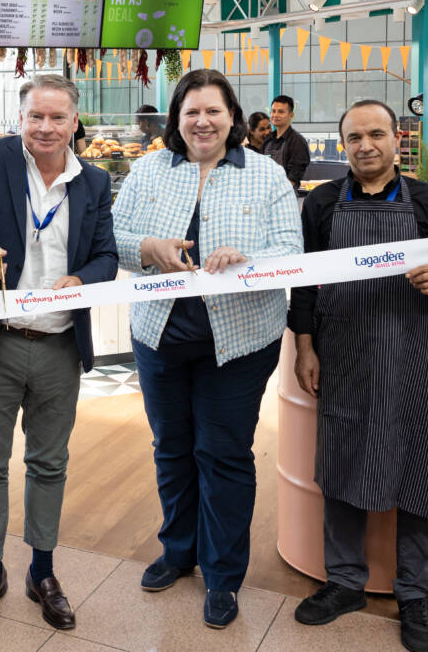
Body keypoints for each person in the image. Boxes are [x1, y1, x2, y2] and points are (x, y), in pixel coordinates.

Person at [0, 74, 117, 632]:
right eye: (36, 116)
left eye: (58, 118)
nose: (46, 128)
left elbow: (105, 254)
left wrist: (84, 277)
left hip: (59, 343)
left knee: (49, 463)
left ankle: (42, 569)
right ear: (20, 118)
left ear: (75, 122)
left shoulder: (95, 181)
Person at [110, 69, 301, 630]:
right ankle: (178, 550)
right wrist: (146, 246)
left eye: (213, 111)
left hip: (240, 342)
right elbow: (114, 242)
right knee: (171, 447)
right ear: (176, 119)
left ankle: (222, 574)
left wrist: (248, 257)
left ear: (232, 117)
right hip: (159, 337)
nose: (202, 121)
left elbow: (291, 249)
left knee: (223, 454)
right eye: (191, 111)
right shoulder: (147, 171)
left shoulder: (265, 175)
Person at [289, 100, 428, 652]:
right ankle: (344, 582)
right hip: (343, 353)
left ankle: (413, 593)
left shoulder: (427, 200)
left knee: (422, 462)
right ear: (342, 145)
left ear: (397, 139)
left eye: (375, 135)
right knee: (342, 463)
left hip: (412, 355)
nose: (365, 145)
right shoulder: (321, 203)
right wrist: (305, 346)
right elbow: (303, 283)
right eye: (353, 138)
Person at [263, 94, 310, 189]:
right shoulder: (268, 140)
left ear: (291, 115)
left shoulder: (297, 142)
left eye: (281, 112)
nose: (275, 115)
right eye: (273, 111)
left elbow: (293, 179)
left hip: (285, 197)